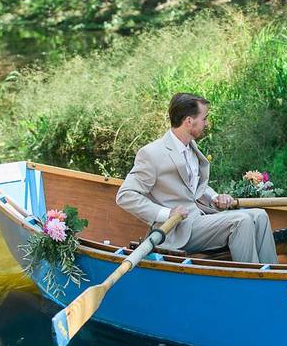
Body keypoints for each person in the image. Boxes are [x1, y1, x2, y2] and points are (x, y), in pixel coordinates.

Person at [116, 92, 278, 264]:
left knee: (260, 215)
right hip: (178, 230)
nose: (206, 123)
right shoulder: (152, 153)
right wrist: (167, 213)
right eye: (204, 118)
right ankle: (251, 284)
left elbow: (193, 187)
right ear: (188, 121)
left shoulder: (190, 146)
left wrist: (215, 197)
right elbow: (125, 195)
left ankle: (274, 278)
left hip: (201, 219)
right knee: (242, 220)